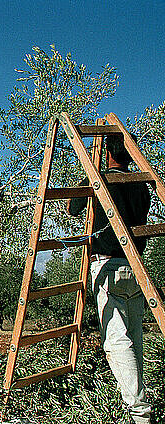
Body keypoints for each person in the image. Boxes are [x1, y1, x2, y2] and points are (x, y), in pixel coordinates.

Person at [68, 134, 152, 424]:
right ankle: (140, 402)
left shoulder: (100, 179)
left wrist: (90, 172)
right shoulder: (141, 182)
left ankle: (140, 413)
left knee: (116, 341)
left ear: (105, 154)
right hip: (136, 269)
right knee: (135, 340)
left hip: (107, 268)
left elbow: (72, 208)